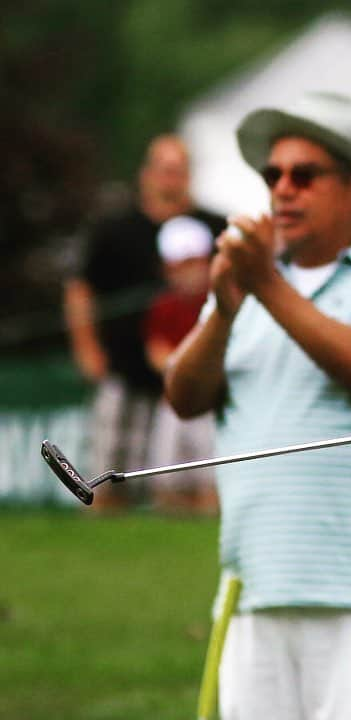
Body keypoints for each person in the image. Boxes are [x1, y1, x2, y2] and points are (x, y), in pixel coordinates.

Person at [164, 92, 351, 720]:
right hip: (253, 589)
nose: (282, 189)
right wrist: (226, 310)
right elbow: (185, 398)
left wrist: (263, 283)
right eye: (272, 175)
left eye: (304, 174)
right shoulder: (251, 278)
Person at [63, 134, 225, 509]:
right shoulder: (114, 228)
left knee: (189, 480)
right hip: (126, 370)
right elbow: (80, 289)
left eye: (179, 171)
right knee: (109, 476)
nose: (171, 180)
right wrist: (87, 348)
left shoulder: (215, 226)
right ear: (146, 175)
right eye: (165, 171)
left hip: (191, 382)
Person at [143, 215, 218, 515]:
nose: (185, 273)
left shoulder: (219, 300)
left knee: (210, 479)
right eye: (177, 266)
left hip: (212, 404)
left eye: (192, 263)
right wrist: (187, 367)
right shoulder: (163, 304)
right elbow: (156, 353)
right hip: (172, 401)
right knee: (165, 479)